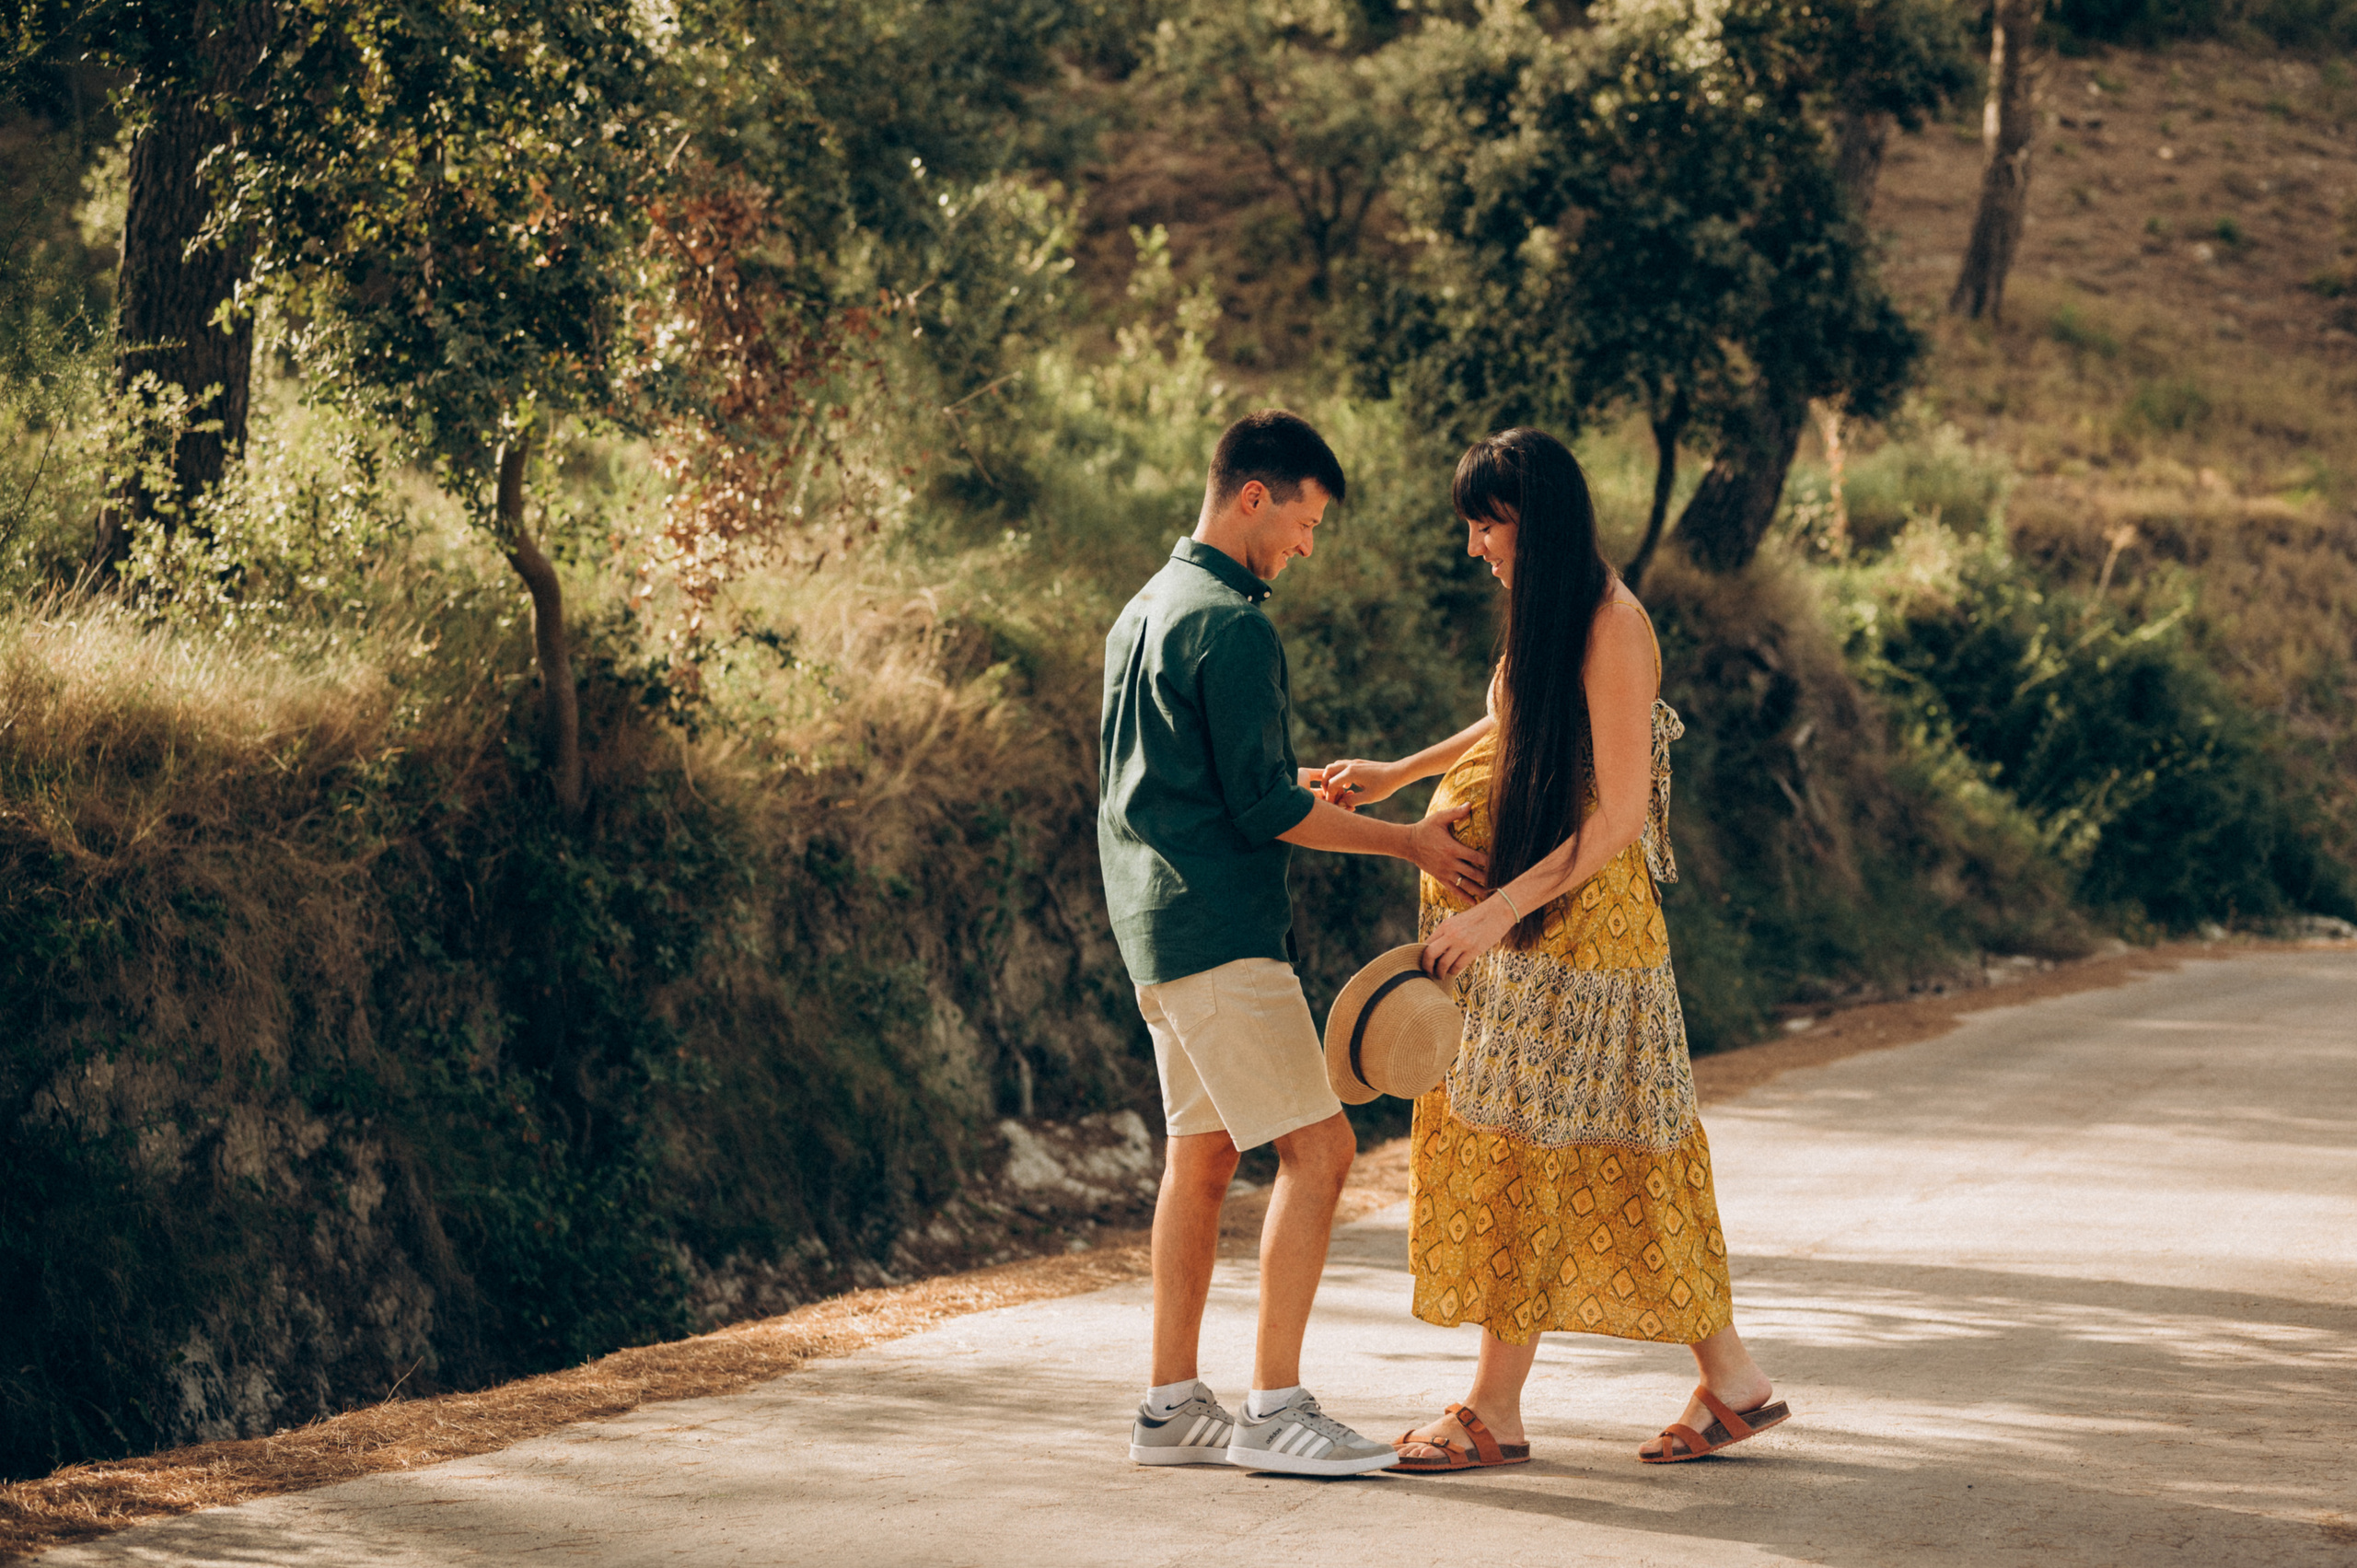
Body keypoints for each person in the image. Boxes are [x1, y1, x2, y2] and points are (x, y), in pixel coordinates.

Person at [1317, 427, 1790, 1469]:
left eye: (1489, 525)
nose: (1476, 544)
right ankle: (1736, 1384)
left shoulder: (1614, 625)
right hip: (1533, 940)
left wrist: (1492, 912)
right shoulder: (1547, 607)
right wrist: (1404, 771)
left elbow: (1618, 813)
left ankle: (1495, 1407)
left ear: (1540, 522)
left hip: (1579, 942)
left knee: (1545, 1152)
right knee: (1597, 1149)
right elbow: (1515, 720)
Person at [1098, 409, 1488, 1477]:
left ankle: (1171, 1407)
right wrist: (1407, 838)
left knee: (1203, 1154)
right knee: (1321, 1150)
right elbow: (1267, 814)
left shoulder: (1142, 610)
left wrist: (1292, 785)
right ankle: (1275, 1412)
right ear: (1253, 495)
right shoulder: (1233, 622)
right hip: (1223, 932)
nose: (1306, 547)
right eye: (1304, 521)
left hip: (1153, 928)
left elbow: (1208, 783)